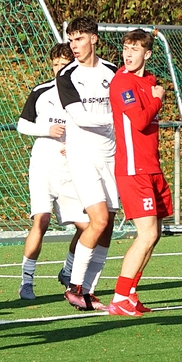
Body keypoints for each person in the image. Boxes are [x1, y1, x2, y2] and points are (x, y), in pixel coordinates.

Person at [15, 43, 90, 300]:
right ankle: (26, 281)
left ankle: (67, 271)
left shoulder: (83, 94)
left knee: (87, 226)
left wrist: (77, 145)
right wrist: (46, 130)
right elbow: (22, 125)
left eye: (64, 64)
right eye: (56, 64)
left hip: (71, 169)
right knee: (42, 220)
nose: (59, 69)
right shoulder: (41, 92)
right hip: (43, 167)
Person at [57, 16, 119, 311]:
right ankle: (74, 286)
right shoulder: (67, 75)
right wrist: (118, 117)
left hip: (110, 156)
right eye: (71, 40)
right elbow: (81, 118)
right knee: (99, 220)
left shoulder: (113, 72)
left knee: (108, 227)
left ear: (94, 38)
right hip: (82, 156)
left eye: (79, 39)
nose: (74, 45)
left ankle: (88, 292)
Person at [107, 29, 171, 316]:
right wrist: (158, 100)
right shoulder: (122, 81)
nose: (128, 54)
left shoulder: (149, 81)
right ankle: (119, 297)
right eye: (126, 48)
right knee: (146, 234)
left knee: (154, 235)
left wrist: (155, 94)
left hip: (152, 167)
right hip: (133, 170)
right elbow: (141, 120)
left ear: (148, 54)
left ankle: (130, 293)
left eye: (134, 49)